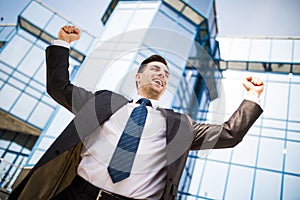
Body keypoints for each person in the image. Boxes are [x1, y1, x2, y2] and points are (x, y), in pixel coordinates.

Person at [9, 26, 264, 200]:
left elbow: (230, 134)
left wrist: (252, 96)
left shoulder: (181, 126)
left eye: (166, 75)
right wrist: (62, 43)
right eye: (155, 69)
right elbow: (59, 87)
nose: (162, 75)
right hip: (77, 193)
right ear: (138, 76)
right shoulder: (104, 102)